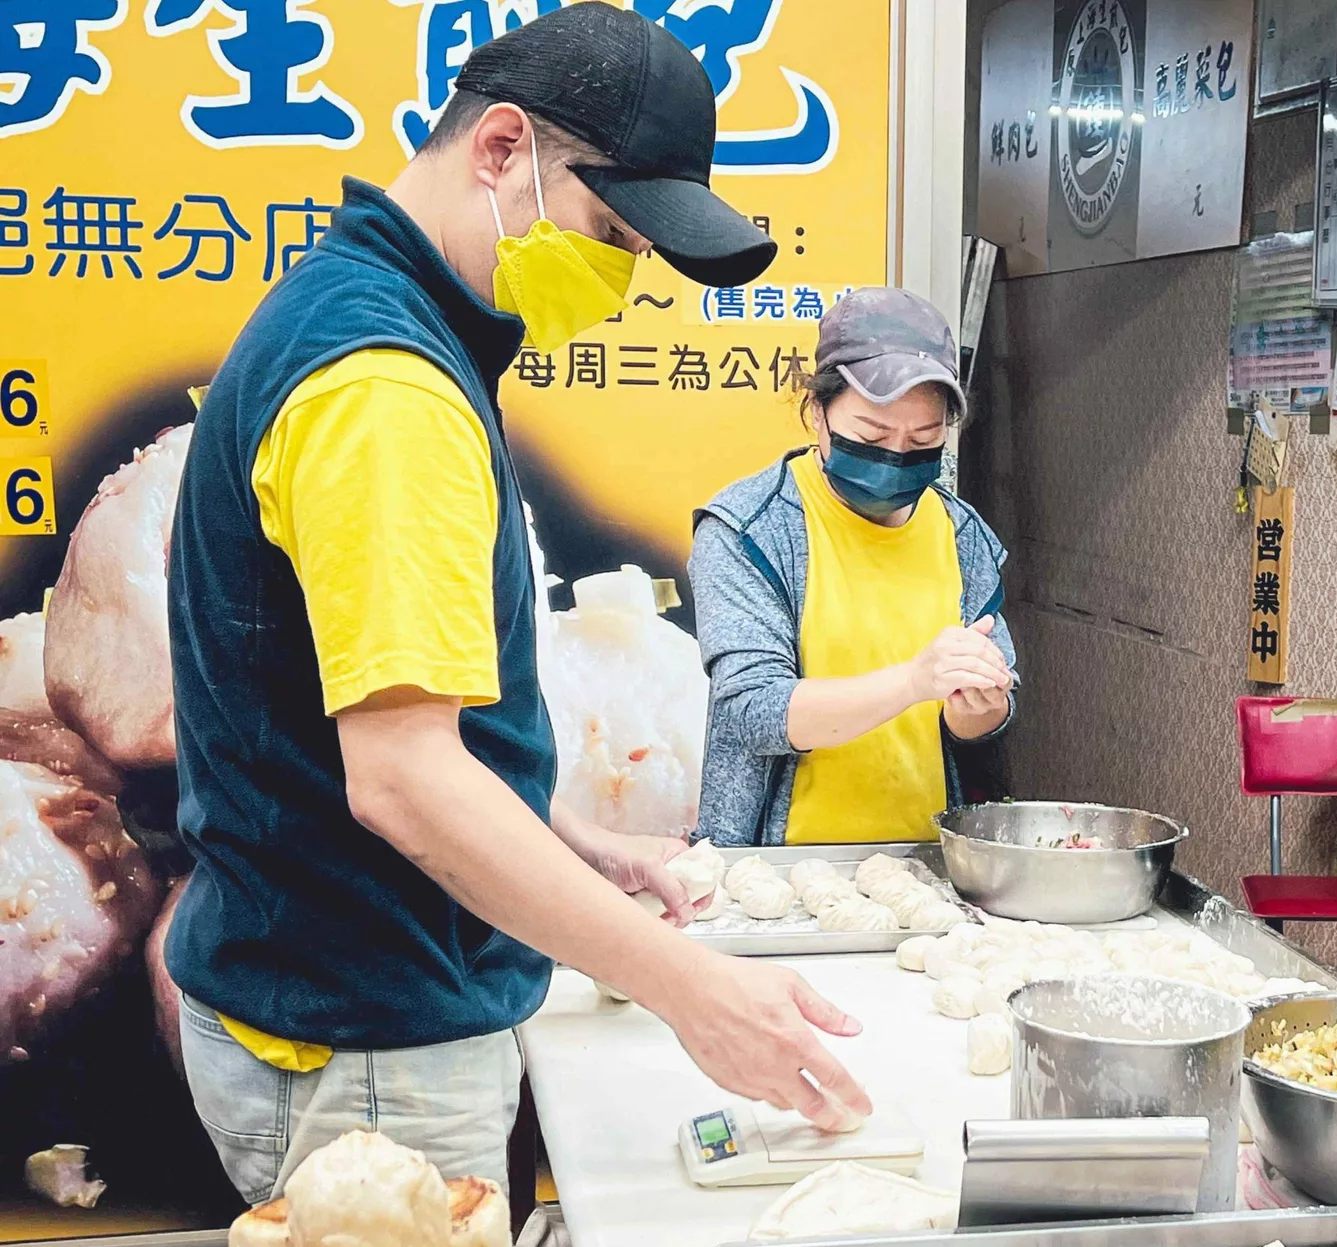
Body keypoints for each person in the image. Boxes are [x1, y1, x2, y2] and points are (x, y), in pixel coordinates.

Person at [165, 3, 869, 1206]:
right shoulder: (384, 383)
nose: (621, 279)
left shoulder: (374, 323)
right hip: (367, 1045)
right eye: (609, 230)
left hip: (354, 1012)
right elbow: (400, 775)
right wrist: (691, 988)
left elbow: (366, 719)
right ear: (499, 149)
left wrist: (569, 843)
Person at [691, 288, 1017, 846]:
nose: (895, 455)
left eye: (923, 439)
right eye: (871, 435)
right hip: (777, 864)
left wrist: (979, 704)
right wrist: (914, 681)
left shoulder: (961, 534)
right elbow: (755, 710)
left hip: (929, 858)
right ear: (816, 413)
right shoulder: (750, 529)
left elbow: (981, 719)